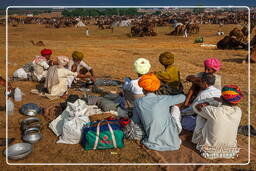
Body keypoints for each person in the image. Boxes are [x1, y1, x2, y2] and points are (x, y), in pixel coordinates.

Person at [132, 73, 185, 151]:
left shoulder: (138, 102)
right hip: (173, 139)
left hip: (151, 140)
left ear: (143, 89)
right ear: (156, 87)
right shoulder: (163, 98)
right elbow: (183, 97)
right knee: (175, 107)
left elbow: (135, 120)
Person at [192, 85, 243, 160]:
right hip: (229, 151)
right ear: (236, 102)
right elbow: (225, 107)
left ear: (221, 98)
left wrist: (210, 100)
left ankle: (196, 139)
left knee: (201, 115)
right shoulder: (238, 111)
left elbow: (195, 106)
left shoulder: (213, 111)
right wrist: (220, 101)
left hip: (209, 151)